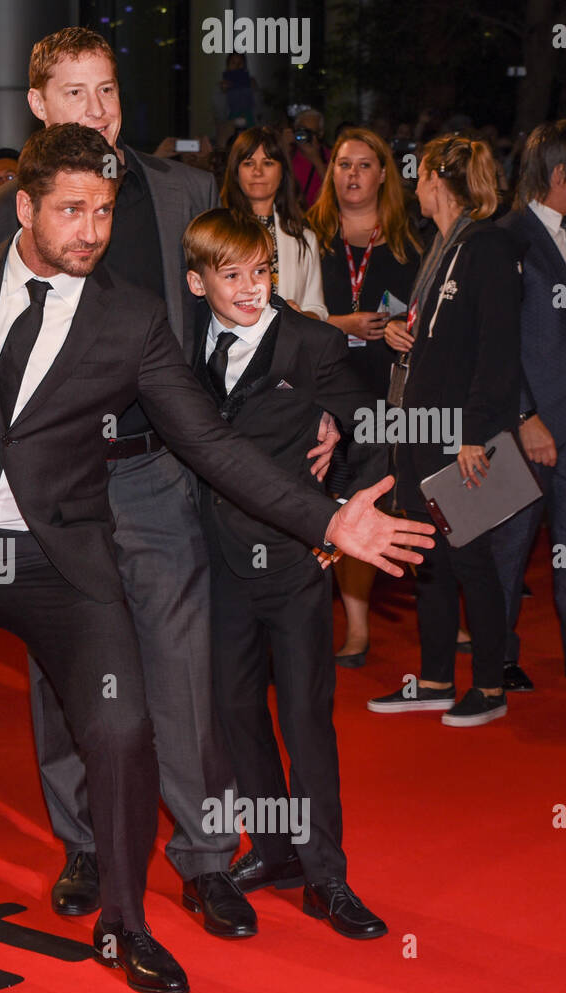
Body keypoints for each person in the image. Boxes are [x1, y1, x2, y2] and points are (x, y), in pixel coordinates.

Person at [0, 123, 434, 993]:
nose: (91, 229)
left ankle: (125, 923)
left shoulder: (130, 317)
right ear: (25, 208)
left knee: (122, 730)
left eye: (106, 211)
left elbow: (208, 444)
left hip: (62, 556)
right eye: (72, 210)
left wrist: (327, 520)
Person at [0, 28, 337, 936]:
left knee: (182, 675)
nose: (96, 110)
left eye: (108, 92)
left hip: (154, 477)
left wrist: (314, 401)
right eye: (75, 94)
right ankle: (88, 847)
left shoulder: (179, 193)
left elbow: (248, 299)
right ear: (39, 108)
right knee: (62, 677)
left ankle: (208, 856)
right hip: (50, 487)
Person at [185, 210, 388, 938]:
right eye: (232, 275)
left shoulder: (310, 341)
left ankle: (327, 874)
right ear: (197, 281)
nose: (250, 289)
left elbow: (372, 426)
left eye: (261, 271)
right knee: (237, 718)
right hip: (217, 562)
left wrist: (338, 516)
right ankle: (274, 852)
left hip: (298, 561)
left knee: (305, 719)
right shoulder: (181, 341)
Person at [368, 135, 522, 726]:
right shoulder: (441, 246)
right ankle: (434, 679)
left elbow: (498, 350)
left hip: (459, 431)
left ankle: (489, 685)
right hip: (418, 422)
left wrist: (476, 432)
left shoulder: (488, 245)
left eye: (418, 174)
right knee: (425, 554)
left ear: (434, 176)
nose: (414, 185)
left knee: (470, 556)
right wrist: (403, 334)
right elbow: (444, 333)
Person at [494, 121, 566, 690]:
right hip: (529, 423)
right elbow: (495, 342)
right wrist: (522, 415)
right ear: (559, 173)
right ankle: (500, 654)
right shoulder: (507, 236)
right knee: (513, 541)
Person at [309, 128, 422, 665]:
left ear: (383, 175)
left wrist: (406, 328)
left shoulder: (408, 243)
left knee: (392, 500)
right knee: (341, 502)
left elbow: (429, 313)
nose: (351, 175)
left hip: (390, 395)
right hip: (325, 394)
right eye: (342, 164)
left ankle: (439, 610)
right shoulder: (310, 237)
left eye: (363, 165)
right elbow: (287, 313)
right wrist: (342, 322)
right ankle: (356, 629)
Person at [223, 126, 327, 318]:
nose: (257, 171)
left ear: (283, 173)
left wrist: (297, 316)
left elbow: (318, 309)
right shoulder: (218, 232)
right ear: (236, 172)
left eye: (268, 163)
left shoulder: (304, 237)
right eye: (248, 163)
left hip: (287, 343)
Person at [292, 108, 331, 207]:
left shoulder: (330, 157)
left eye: (311, 132)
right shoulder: (288, 156)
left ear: (320, 133)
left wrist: (317, 161)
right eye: (301, 131)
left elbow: (336, 191)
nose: (305, 136)